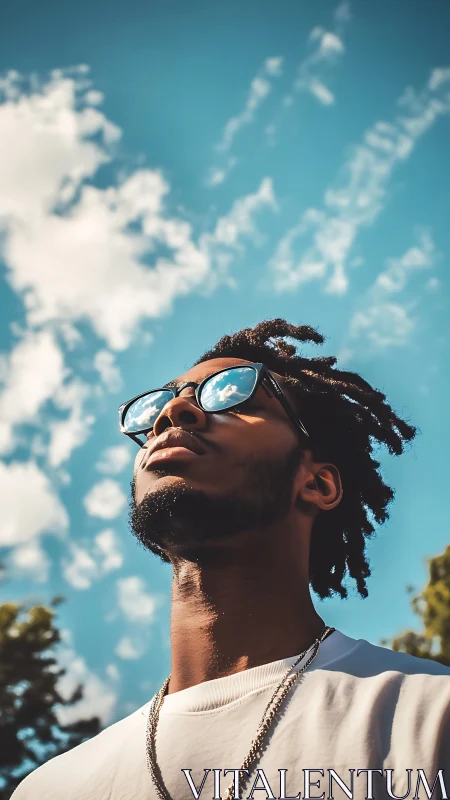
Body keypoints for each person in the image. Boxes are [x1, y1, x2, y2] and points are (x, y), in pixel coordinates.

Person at [12, 319, 450, 800]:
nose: (174, 413)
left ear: (318, 483)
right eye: (160, 404)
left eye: (230, 393)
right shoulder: (51, 789)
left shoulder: (429, 717)